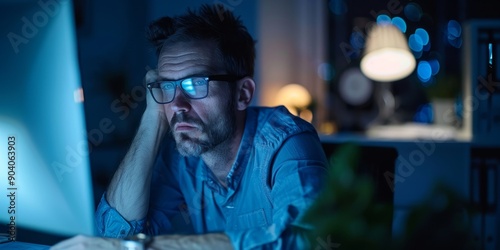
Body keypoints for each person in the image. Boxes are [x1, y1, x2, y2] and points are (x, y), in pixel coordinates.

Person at [51, 3, 328, 249]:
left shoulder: (286, 141)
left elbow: (307, 239)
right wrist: (153, 117)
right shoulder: (182, 152)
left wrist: (149, 247)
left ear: (243, 94)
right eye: (167, 87)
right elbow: (114, 233)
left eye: (196, 84)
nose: (178, 105)